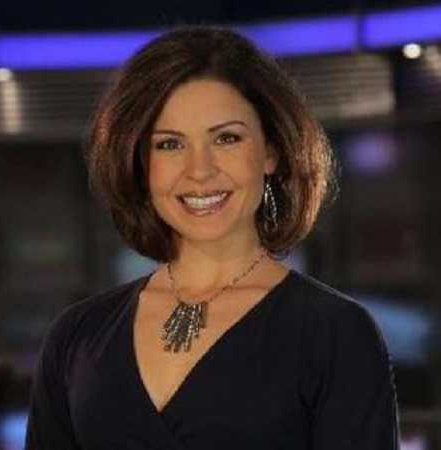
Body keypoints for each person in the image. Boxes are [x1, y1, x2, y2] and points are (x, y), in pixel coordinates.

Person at [25, 26, 400, 449]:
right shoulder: (77, 336)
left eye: (226, 138)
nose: (200, 171)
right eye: (169, 144)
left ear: (271, 151)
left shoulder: (336, 334)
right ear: (140, 163)